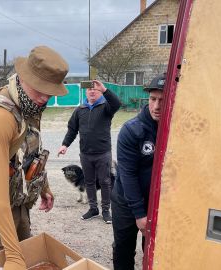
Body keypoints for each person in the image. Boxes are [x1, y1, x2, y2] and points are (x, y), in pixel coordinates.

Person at [0, 46, 68, 270]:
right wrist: (13, 255)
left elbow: (31, 150)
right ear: (24, 77)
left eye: (49, 92)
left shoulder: (28, 103)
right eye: (40, 89)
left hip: (18, 199)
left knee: (28, 258)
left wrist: (44, 187)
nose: (44, 98)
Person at [111, 74, 165, 270]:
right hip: (127, 202)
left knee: (152, 249)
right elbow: (128, 175)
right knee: (123, 249)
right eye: (153, 99)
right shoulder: (132, 130)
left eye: (162, 99)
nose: (156, 106)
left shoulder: (175, 129)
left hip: (156, 203)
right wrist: (140, 213)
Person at [57, 80, 121, 223]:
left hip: (103, 153)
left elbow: (117, 103)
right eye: (89, 90)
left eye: (95, 90)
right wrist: (64, 145)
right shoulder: (80, 110)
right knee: (89, 182)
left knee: (105, 182)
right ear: (86, 92)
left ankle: (105, 211)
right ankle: (93, 208)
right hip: (85, 154)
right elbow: (72, 129)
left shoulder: (106, 107)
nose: (92, 91)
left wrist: (104, 89)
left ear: (99, 92)